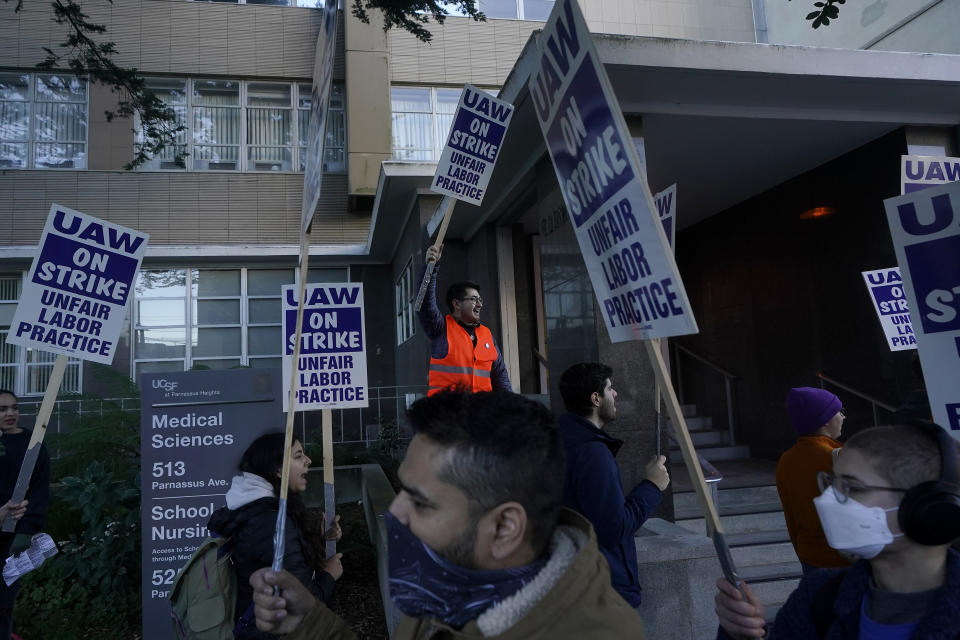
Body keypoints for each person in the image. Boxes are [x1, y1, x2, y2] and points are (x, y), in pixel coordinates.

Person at [249, 390, 646, 639]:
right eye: (402, 490)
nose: (395, 513)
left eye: (421, 502)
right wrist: (310, 624)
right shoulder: (449, 586)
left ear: (505, 528)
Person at [716, 422, 960, 639]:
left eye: (852, 487)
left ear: (929, 509)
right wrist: (742, 636)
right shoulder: (819, 597)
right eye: (832, 483)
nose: (829, 500)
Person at [207, 432, 343, 640]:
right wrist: (329, 574)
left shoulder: (256, 510)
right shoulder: (271, 523)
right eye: (298, 456)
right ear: (279, 470)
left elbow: (275, 561)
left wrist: (320, 538)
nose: (308, 461)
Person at [556, 362, 669, 610]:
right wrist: (652, 486)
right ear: (596, 398)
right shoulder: (592, 453)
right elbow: (613, 528)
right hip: (603, 591)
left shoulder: (564, 442)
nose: (616, 394)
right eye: (610, 388)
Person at [776, 387, 851, 573]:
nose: (843, 417)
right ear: (825, 420)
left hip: (809, 556)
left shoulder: (786, 460)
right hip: (845, 559)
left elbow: (790, 516)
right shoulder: (841, 458)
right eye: (839, 412)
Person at [418, 245, 511, 395]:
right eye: (474, 300)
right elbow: (424, 302)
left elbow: (500, 376)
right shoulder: (440, 329)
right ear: (456, 304)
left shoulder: (487, 335)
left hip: (481, 415)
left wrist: (510, 407)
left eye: (480, 300)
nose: (480, 304)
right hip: (448, 415)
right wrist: (430, 268)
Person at [0, 389, 50, 640]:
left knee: (4, 598)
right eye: (2, 409)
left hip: (13, 535)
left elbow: (40, 491)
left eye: (14, 407)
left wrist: (27, 529)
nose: (10, 413)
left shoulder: (34, 445)